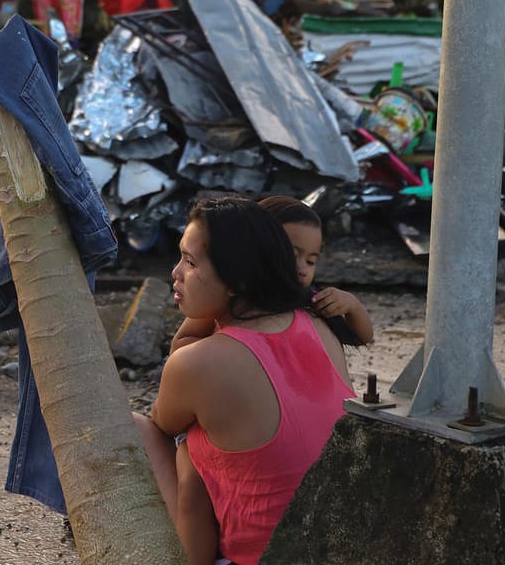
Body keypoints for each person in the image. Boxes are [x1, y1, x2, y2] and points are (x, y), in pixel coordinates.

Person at [134, 197, 354, 565]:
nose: (175, 273)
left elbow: (165, 424)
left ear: (237, 278)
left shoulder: (198, 364)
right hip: (343, 547)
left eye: (190, 262)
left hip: (258, 558)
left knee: (140, 429)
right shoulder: (317, 324)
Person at [171, 196, 373, 350]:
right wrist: (220, 352)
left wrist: (352, 305)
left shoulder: (312, 302)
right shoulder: (224, 299)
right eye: (291, 255)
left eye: (311, 261)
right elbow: (181, 344)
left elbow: (361, 337)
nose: (302, 269)